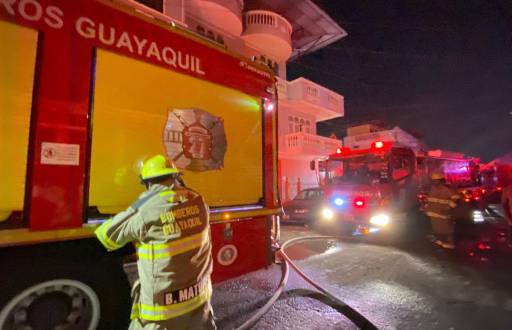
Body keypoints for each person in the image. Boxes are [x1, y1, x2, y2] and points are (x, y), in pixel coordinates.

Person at [95, 154, 216, 329]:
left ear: (147, 183)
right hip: (200, 304)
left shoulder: (146, 208)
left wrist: (140, 202)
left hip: (163, 314)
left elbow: (107, 236)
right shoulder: (198, 201)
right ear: (176, 177)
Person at [424, 171, 461, 249]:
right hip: (434, 213)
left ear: (441, 180)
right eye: (433, 180)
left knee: (448, 229)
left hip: (443, 213)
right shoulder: (433, 189)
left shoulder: (447, 189)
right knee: (437, 228)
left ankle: (450, 243)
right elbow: (430, 199)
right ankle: (440, 241)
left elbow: (456, 199)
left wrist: (450, 207)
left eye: (436, 180)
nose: (434, 182)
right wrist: (426, 207)